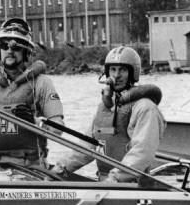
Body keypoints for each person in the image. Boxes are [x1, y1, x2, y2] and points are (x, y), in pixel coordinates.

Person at [0, 18, 64, 167]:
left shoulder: (42, 83)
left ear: (26, 51)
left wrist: (33, 122)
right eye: (4, 46)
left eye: (15, 47)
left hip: (32, 167)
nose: (9, 51)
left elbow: (57, 129)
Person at [55, 45, 164, 182]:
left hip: (132, 186)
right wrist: (61, 168)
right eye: (113, 69)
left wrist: (116, 178)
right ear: (107, 73)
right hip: (106, 184)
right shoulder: (105, 107)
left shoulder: (145, 107)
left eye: (123, 70)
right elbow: (86, 147)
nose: (116, 75)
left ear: (133, 73)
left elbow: (142, 151)